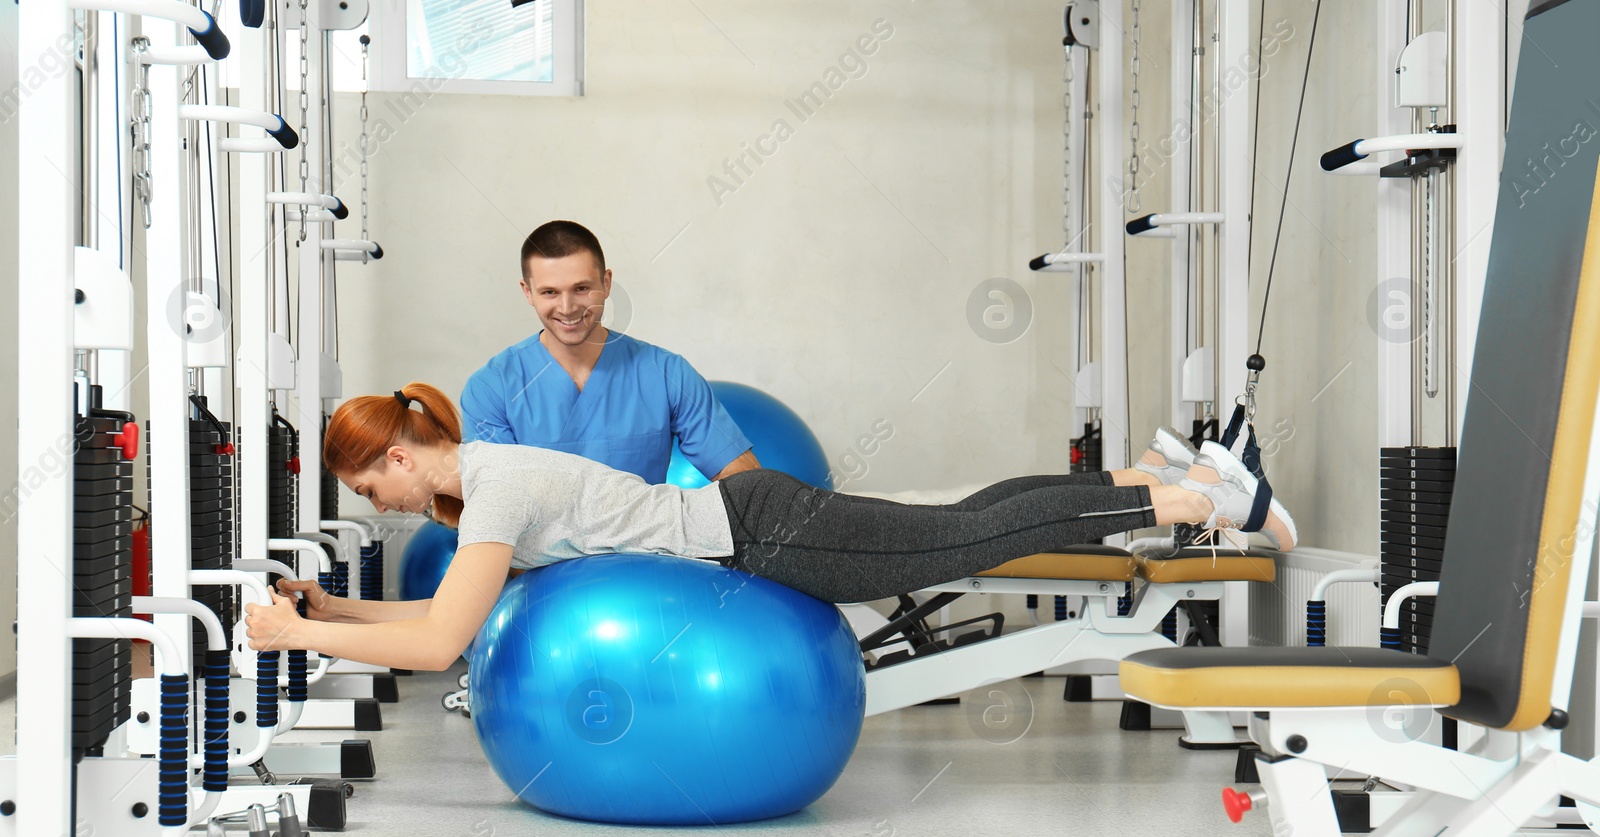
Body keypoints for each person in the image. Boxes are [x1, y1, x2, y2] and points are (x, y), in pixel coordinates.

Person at [244, 384, 1296, 671]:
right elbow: (437, 613)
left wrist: (300, 635)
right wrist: (337, 607)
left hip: (758, 534)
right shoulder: (480, 485)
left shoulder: (498, 486)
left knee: (965, 542)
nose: (371, 507)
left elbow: (440, 644)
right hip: (749, 522)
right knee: (964, 519)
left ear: (393, 457)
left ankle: (1191, 502)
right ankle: (1152, 475)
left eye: (364, 486)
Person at [460, 220, 760, 482]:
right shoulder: (491, 388)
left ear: (606, 283)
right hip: (535, 550)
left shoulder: (667, 374)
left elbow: (745, 480)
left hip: (645, 548)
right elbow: (499, 501)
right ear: (528, 292)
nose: (567, 308)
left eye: (581, 289)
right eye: (550, 292)